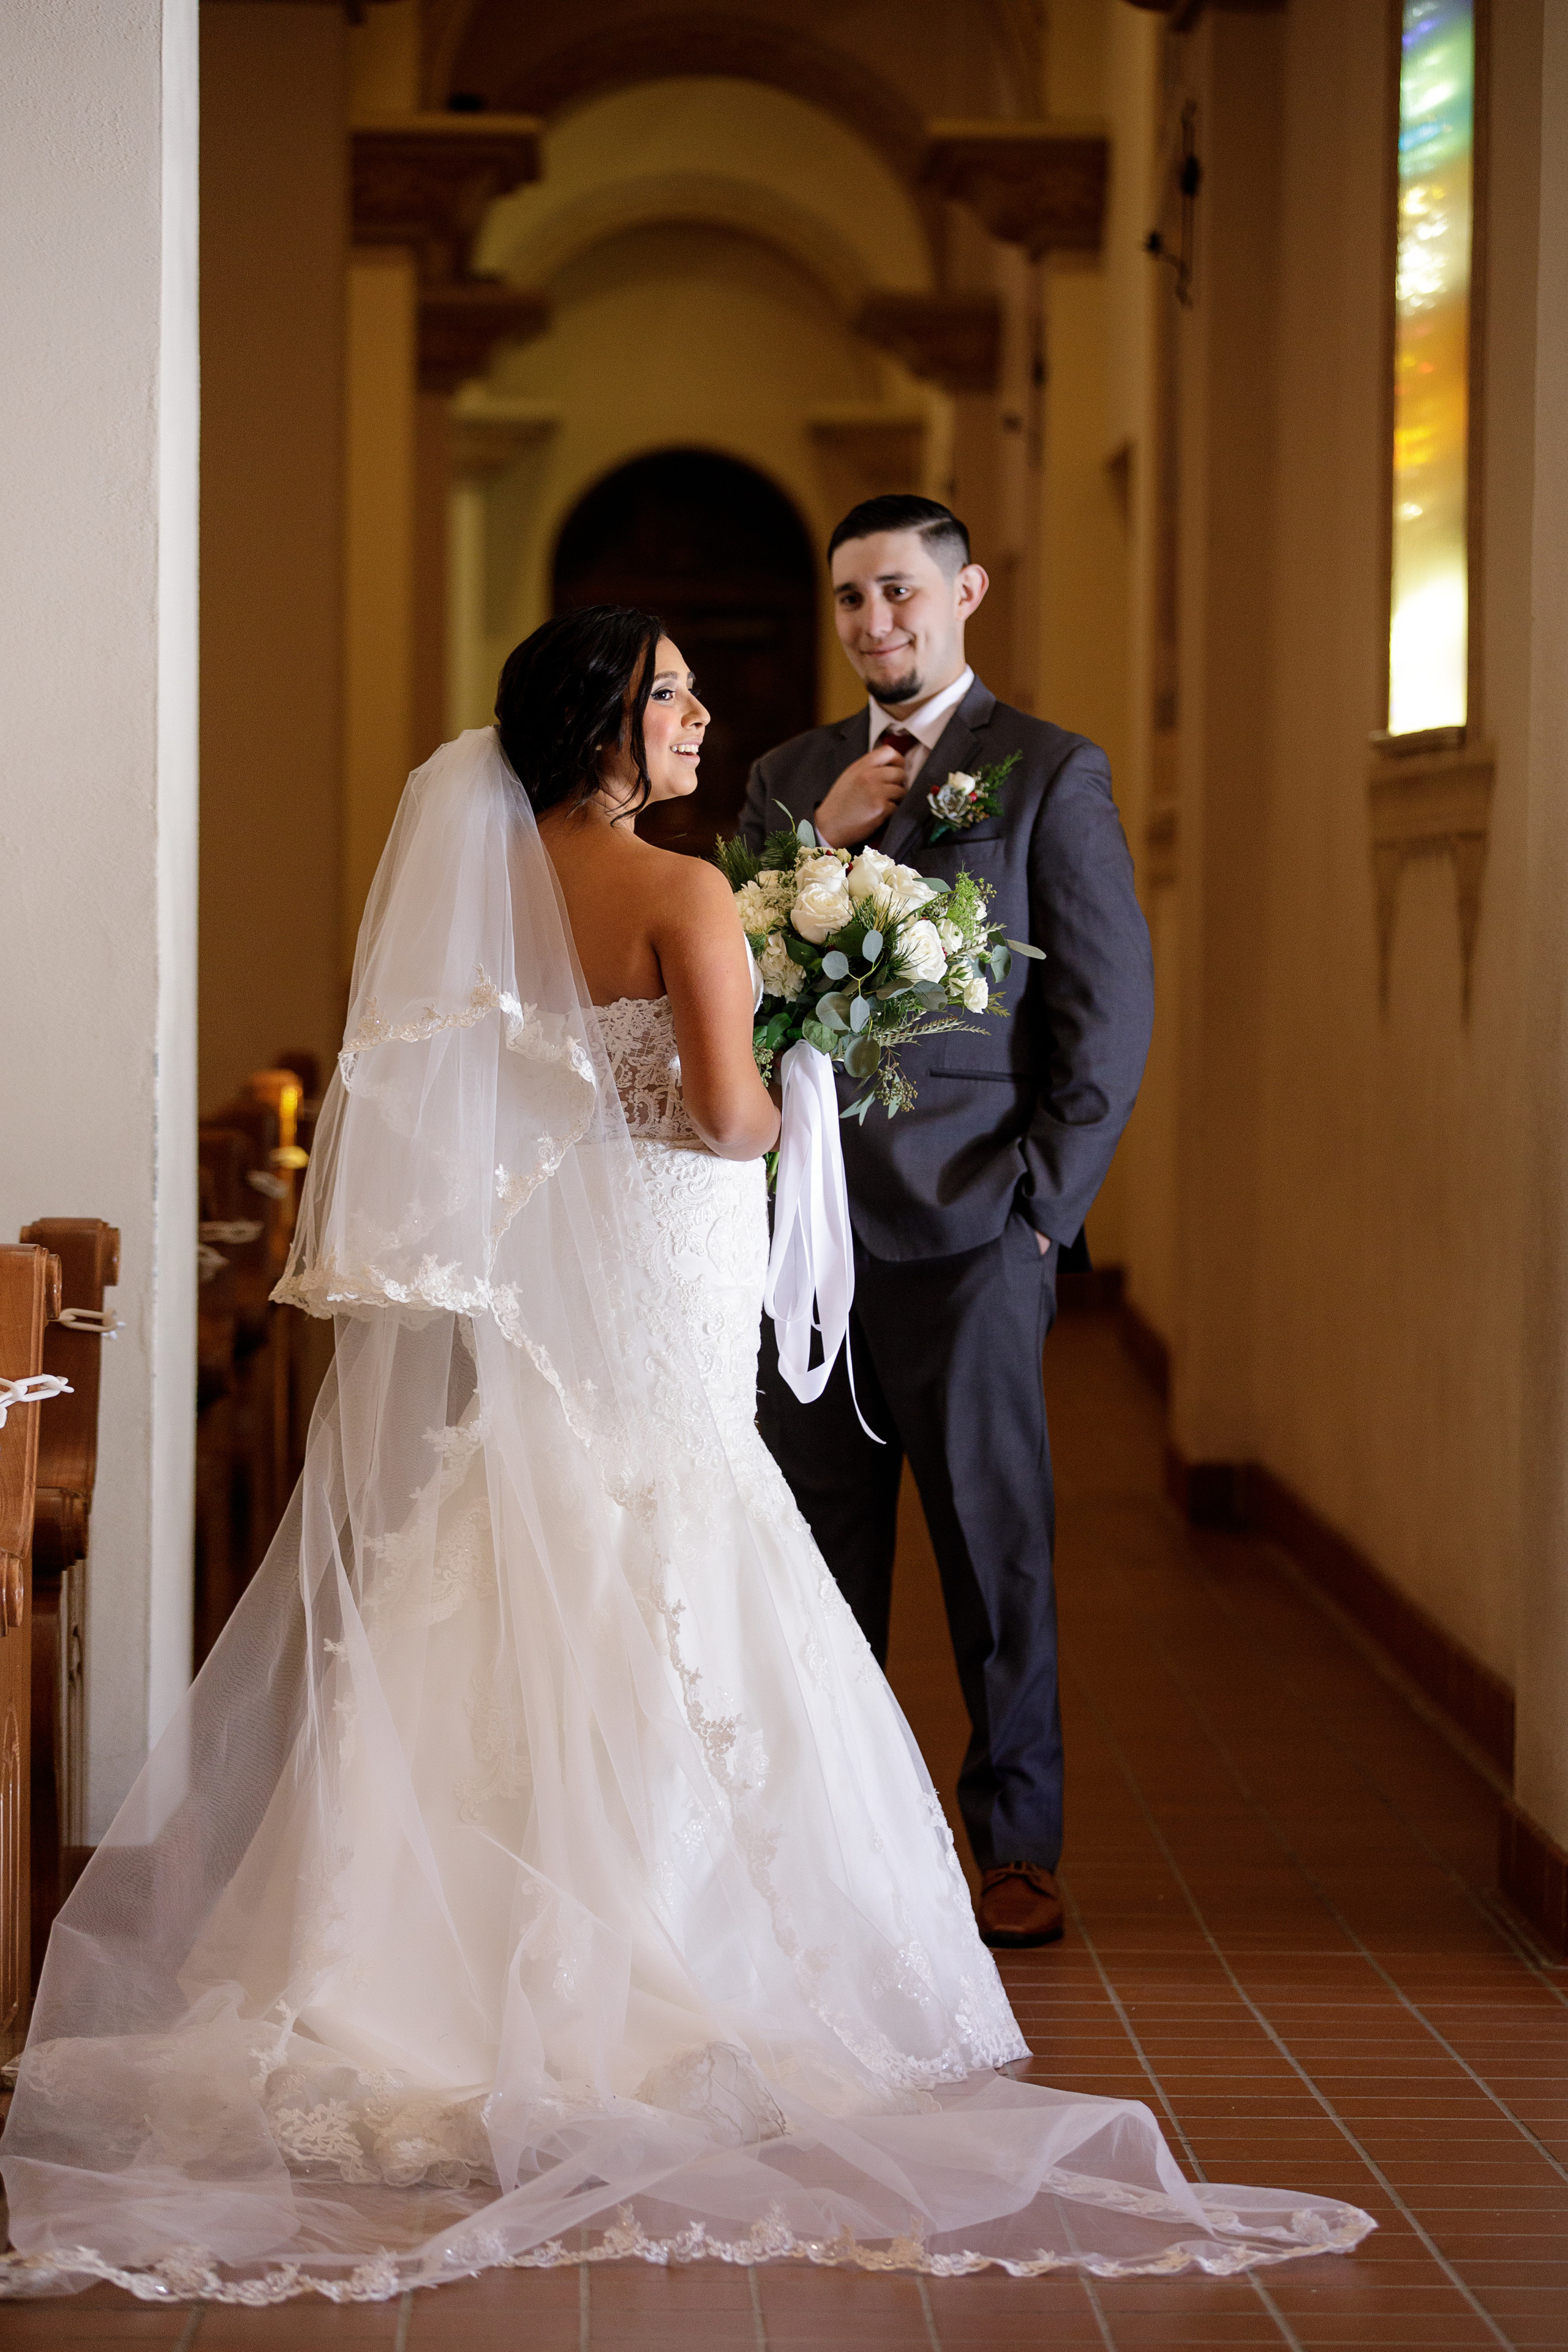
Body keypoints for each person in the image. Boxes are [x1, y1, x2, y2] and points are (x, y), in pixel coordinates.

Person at [0, 609, 1368, 2304]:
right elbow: (725, 1118)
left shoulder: (507, 889)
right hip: (665, 1260)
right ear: (606, 724)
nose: (705, 715)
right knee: (685, 1531)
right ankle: (671, 1981)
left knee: (510, 1540)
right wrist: (811, 1068)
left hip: (561, 1269)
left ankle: (412, 1984)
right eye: (675, 694)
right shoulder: (685, 894)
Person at [742, 496, 1155, 1954]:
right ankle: (832, 1848)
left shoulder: (1045, 772)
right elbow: (727, 977)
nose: (876, 625)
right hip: (804, 1243)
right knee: (808, 1553)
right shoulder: (788, 775)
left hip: (977, 1231)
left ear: (965, 590)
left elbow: (1104, 1015)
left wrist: (1042, 1218)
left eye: (902, 593)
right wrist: (814, 840)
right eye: (852, 599)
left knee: (995, 1554)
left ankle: (1016, 1848)